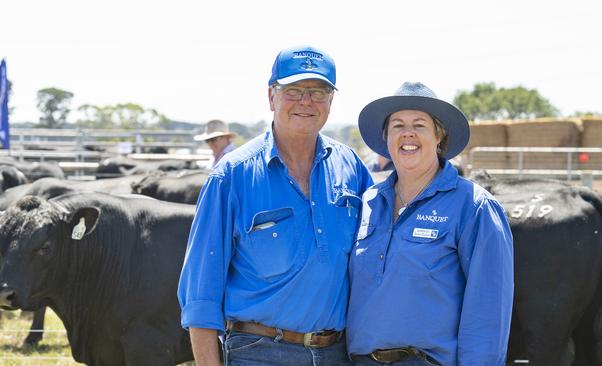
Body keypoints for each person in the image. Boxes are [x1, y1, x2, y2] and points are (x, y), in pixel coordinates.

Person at [178, 45, 373, 366]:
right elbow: (200, 292)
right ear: (271, 97)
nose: (306, 101)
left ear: (331, 101)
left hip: (337, 350)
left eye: (318, 91)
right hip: (260, 352)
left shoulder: (351, 166)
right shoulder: (232, 175)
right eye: (293, 90)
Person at [347, 82, 514, 366]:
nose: (408, 133)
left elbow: (489, 311)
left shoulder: (473, 206)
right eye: (398, 125)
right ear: (386, 137)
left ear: (440, 136)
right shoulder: (368, 202)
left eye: (420, 125)